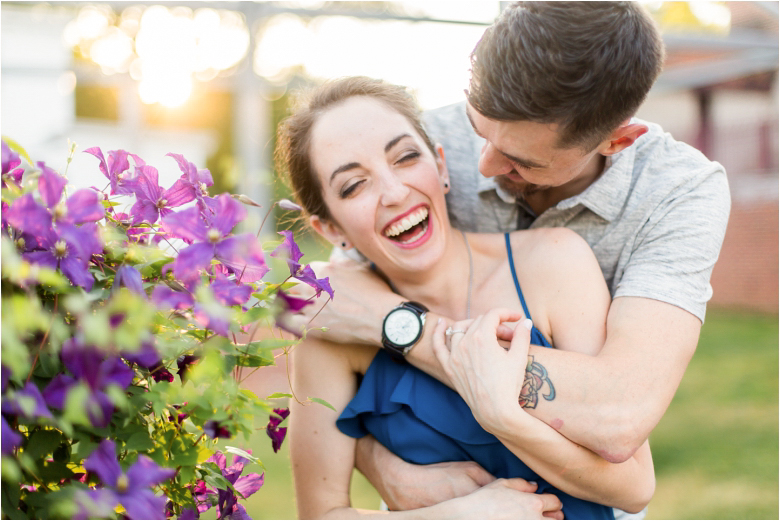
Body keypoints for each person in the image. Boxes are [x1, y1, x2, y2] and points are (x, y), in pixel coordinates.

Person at [286, 2, 730, 517]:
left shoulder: (676, 195)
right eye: (479, 129)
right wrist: (381, 464)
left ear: (617, 141)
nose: (485, 164)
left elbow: (620, 421)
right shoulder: (425, 139)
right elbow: (318, 295)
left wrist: (400, 328)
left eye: (520, 160)